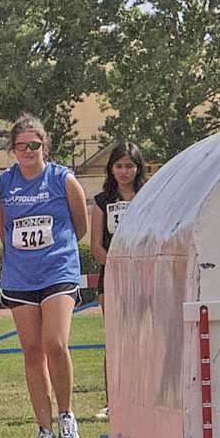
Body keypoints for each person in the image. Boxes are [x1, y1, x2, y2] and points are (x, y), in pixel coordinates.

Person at [0, 115, 89, 438]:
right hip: (20, 276)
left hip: (58, 270)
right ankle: (44, 428)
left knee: (55, 343)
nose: (29, 150)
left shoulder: (63, 179)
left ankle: (67, 416)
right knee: (32, 351)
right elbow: (3, 229)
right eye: (22, 146)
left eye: (34, 144)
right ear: (13, 149)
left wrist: (54, 251)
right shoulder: (3, 184)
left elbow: (81, 226)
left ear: (44, 145)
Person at [88, 139, 148, 418]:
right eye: (119, 166)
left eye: (129, 166)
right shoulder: (102, 201)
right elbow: (96, 245)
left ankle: (142, 398)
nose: (124, 171)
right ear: (111, 169)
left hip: (145, 277)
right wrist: (117, 267)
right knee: (115, 340)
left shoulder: (150, 196)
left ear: (138, 168)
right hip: (111, 278)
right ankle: (113, 402)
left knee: (144, 339)